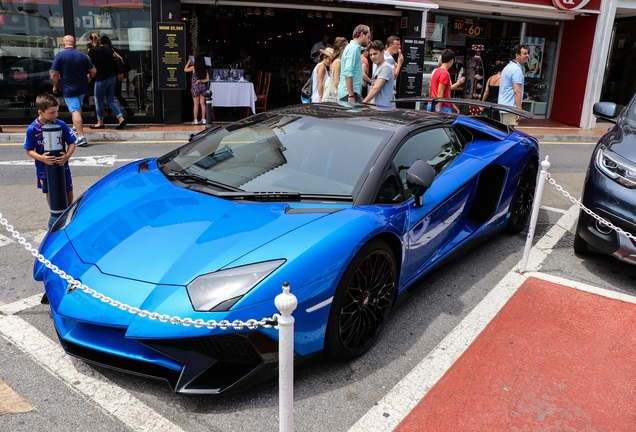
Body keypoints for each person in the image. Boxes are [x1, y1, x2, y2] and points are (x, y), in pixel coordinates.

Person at [24, 93, 76, 222]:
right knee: (50, 191)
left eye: (57, 112)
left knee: (68, 190)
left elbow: (72, 142)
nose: (56, 115)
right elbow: (29, 150)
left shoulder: (61, 124)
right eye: (52, 113)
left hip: (62, 165)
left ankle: (69, 213)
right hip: (44, 167)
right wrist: (42, 158)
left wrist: (67, 156)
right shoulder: (32, 129)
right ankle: (55, 214)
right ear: (40, 112)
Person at [50, 35, 96, 147]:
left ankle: (81, 137)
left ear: (63, 43)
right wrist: (89, 78)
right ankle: (76, 126)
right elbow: (94, 71)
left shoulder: (60, 55)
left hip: (69, 88)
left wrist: (55, 85)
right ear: (74, 43)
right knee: (78, 105)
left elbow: (55, 73)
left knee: (74, 110)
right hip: (82, 87)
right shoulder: (82, 55)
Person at [87, 32, 127, 130]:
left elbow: (87, 63)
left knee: (98, 100)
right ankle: (121, 119)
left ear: (92, 40)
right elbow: (120, 59)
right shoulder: (108, 48)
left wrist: (88, 75)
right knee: (111, 100)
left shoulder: (92, 50)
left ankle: (100, 122)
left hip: (101, 78)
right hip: (112, 77)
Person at [100, 35, 134, 117]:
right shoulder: (115, 50)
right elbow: (125, 63)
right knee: (117, 95)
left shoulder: (108, 51)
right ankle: (127, 111)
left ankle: (108, 111)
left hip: (110, 76)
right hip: (118, 76)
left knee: (106, 95)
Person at [338, 24, 371, 103]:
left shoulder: (353, 47)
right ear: (362, 34)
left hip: (350, 92)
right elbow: (348, 71)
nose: (369, 40)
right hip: (350, 94)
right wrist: (351, 95)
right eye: (368, 37)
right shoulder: (353, 48)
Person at [498, 44, 529, 126]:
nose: (527, 56)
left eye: (527, 53)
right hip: (511, 107)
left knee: (505, 132)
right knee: (509, 134)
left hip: (504, 106)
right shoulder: (516, 69)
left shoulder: (508, 67)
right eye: (525, 53)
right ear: (517, 55)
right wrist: (519, 110)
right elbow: (516, 91)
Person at [428, 49, 465, 113]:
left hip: (432, 103)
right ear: (451, 61)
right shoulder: (445, 73)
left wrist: (452, 105)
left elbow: (433, 88)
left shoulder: (436, 71)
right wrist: (439, 110)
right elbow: (440, 92)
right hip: (442, 107)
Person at [362, 40, 395, 108]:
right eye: (371, 55)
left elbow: (376, 88)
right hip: (376, 107)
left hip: (383, 108)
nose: (373, 57)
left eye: (375, 54)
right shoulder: (378, 67)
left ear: (382, 52)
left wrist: (363, 103)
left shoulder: (386, 67)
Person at [184, 53, 210, 125]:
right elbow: (207, 79)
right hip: (202, 87)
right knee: (202, 103)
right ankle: (203, 119)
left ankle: (195, 120)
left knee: (196, 104)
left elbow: (185, 70)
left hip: (195, 87)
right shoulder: (204, 68)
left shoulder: (194, 67)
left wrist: (188, 63)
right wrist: (200, 80)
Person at [322, 37, 347, 102]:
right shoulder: (338, 61)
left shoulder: (333, 61)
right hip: (335, 93)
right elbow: (336, 82)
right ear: (342, 49)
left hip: (330, 90)